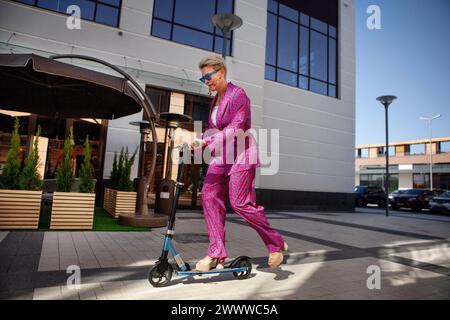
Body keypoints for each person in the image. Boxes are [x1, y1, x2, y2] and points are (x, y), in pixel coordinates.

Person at [192, 55, 288, 272]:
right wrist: (201, 144)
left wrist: (207, 141)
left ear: (221, 72)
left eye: (208, 76)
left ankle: (275, 243)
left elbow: (236, 127)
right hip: (222, 156)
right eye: (203, 79)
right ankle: (216, 253)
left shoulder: (238, 95)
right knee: (208, 195)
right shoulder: (214, 101)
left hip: (243, 154)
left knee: (239, 203)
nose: (206, 81)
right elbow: (216, 129)